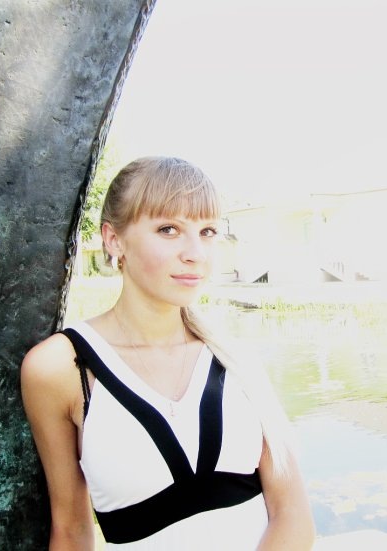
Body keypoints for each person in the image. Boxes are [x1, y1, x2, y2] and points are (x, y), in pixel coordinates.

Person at [21, 157, 316, 550]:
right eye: (169, 230)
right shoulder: (60, 367)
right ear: (114, 240)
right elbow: (72, 531)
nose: (195, 253)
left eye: (207, 231)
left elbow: (293, 516)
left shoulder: (235, 359)